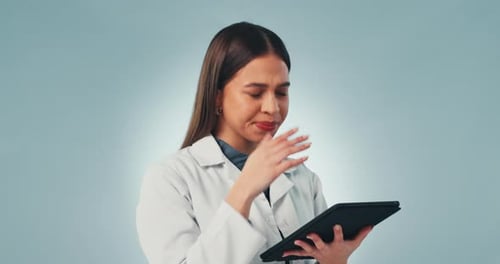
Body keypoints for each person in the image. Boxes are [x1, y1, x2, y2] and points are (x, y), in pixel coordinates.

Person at [136, 21, 372, 264]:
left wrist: (334, 262)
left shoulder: (302, 178)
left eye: (281, 93)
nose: (272, 108)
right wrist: (244, 189)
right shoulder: (170, 179)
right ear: (217, 96)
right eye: (255, 93)